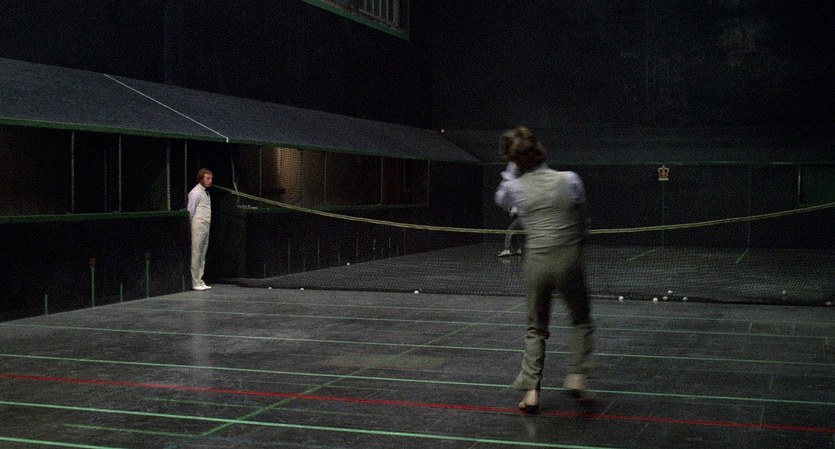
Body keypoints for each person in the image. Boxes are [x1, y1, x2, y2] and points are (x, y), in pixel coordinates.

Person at [494, 126, 594, 413]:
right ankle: (577, 375)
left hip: (537, 262)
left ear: (514, 159)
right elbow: (581, 219)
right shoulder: (570, 179)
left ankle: (531, 393)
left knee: (536, 328)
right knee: (581, 319)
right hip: (568, 258)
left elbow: (501, 196)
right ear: (540, 151)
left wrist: (513, 166)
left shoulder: (514, 189)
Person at [188, 168, 213, 291]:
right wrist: (190, 225)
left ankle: (200, 279)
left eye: (211, 178)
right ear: (201, 179)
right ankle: (195, 281)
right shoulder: (196, 192)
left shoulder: (206, 193)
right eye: (207, 178)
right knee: (196, 253)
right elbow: (190, 210)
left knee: (202, 254)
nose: (210, 181)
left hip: (205, 225)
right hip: (198, 225)